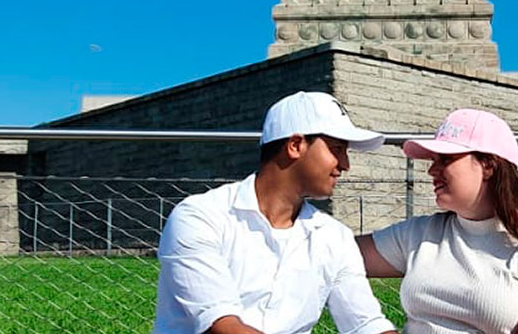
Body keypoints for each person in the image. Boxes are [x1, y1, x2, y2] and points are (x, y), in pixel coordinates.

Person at [153, 91, 396, 334]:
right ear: (295, 145)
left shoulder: (335, 237)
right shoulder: (200, 217)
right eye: (336, 149)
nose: (345, 164)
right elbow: (223, 326)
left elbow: (365, 323)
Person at [357, 109, 518, 334]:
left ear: (488, 165)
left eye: (446, 159)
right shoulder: (421, 233)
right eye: (433, 160)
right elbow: (340, 254)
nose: (432, 170)